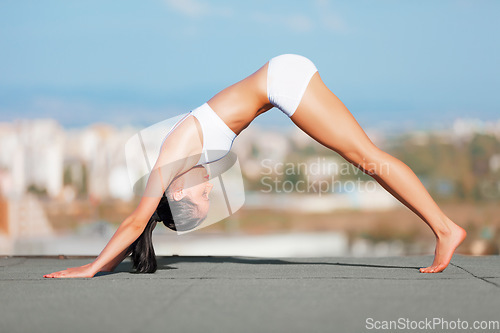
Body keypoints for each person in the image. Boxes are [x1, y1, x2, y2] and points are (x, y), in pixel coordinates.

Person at [44, 54, 466, 278]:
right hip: (281, 82)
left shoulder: (171, 158)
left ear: (176, 191)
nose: (210, 185)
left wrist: (92, 268)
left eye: (202, 195)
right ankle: (444, 226)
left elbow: (137, 220)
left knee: (367, 159)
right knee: (364, 157)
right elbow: (146, 226)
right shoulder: (184, 164)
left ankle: (446, 228)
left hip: (283, 81)